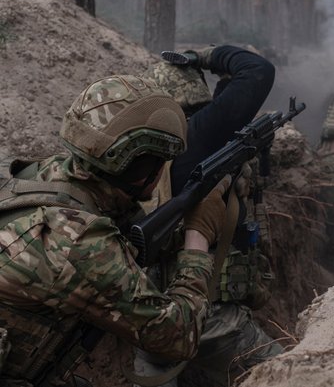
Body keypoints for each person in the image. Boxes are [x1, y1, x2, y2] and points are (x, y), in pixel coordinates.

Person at [0, 75, 232, 387]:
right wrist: (197, 237)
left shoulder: (44, 175)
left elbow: (122, 232)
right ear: (141, 166)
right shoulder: (81, 243)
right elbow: (179, 335)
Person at [134, 45, 283, 386]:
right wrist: (205, 56)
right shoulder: (198, 136)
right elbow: (258, 70)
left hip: (151, 313)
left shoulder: (144, 149)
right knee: (289, 374)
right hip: (210, 319)